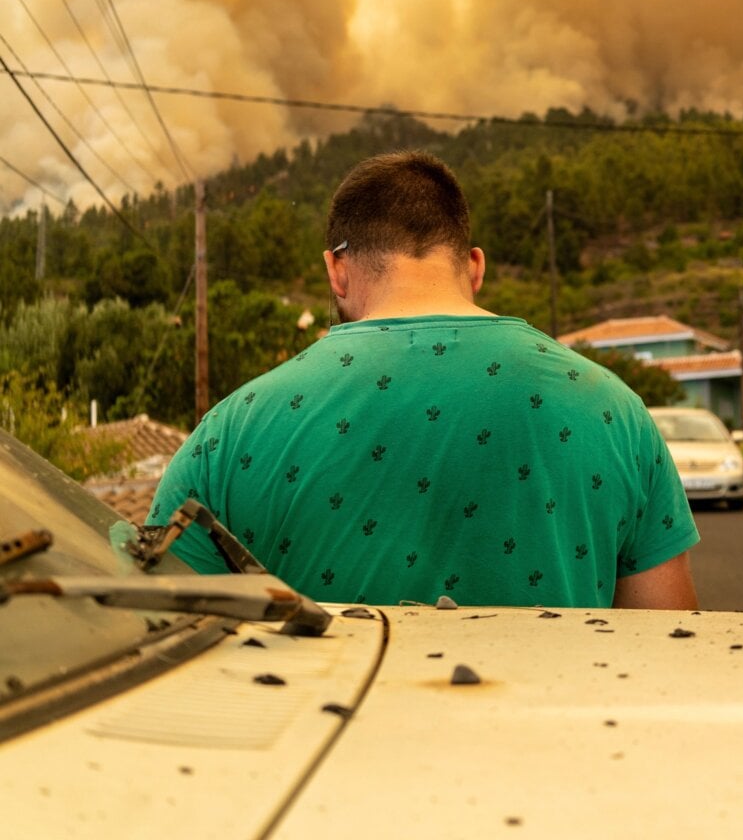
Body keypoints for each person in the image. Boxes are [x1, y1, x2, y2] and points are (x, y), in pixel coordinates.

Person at [149, 151, 698, 611]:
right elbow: (669, 650)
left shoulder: (231, 432)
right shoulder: (613, 411)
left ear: (336, 271)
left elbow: (158, 635)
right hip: (550, 740)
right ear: (475, 267)